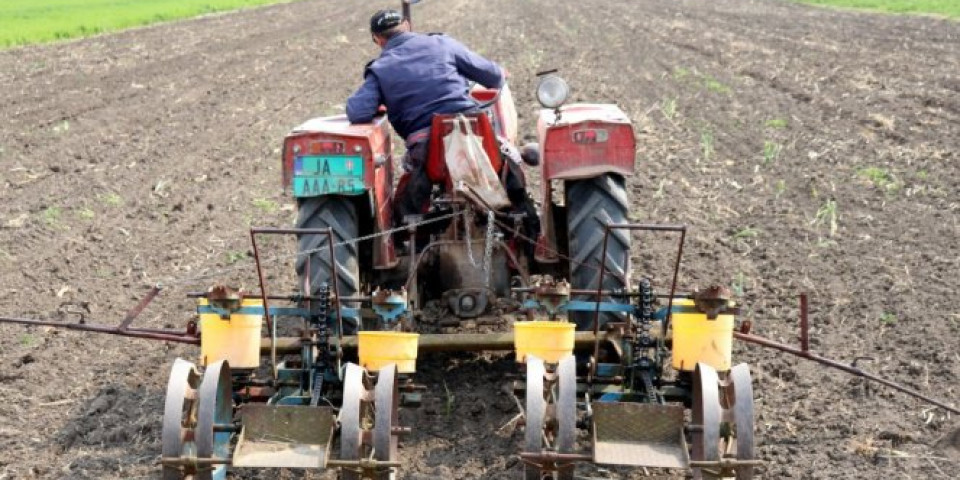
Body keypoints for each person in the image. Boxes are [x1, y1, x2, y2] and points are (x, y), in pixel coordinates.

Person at [346, 9, 506, 225]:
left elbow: (358, 112)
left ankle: (407, 232)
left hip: (425, 150)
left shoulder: (380, 68)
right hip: (476, 134)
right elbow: (494, 77)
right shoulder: (443, 44)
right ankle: (529, 224)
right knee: (511, 163)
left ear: (378, 39)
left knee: (405, 210)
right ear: (408, 26)